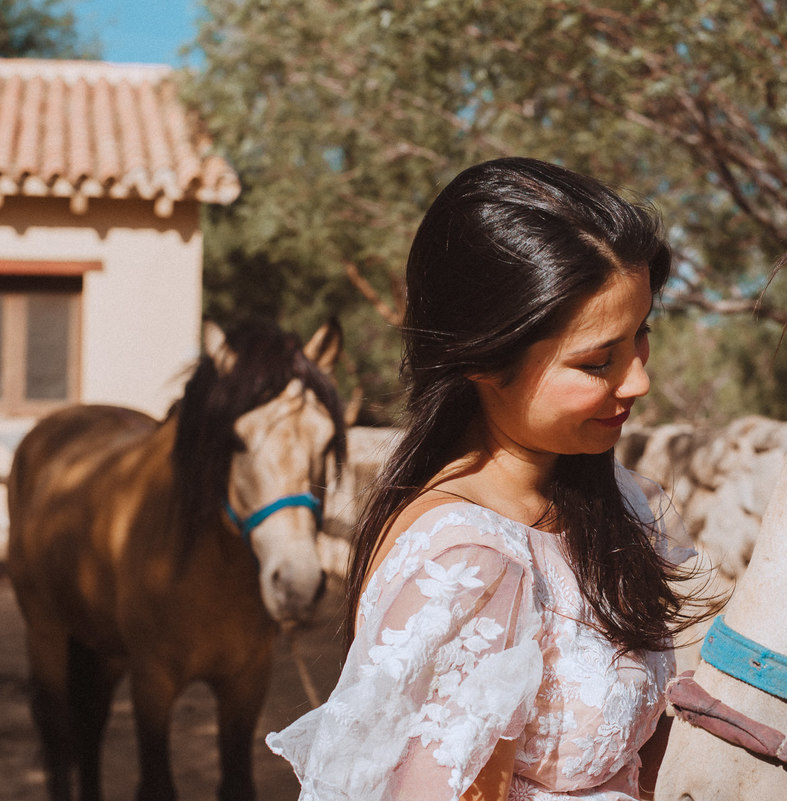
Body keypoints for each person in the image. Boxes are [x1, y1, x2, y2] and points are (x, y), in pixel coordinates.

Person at [267, 157, 711, 801]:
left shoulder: (619, 501)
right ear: (481, 356)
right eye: (596, 362)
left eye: (641, 336)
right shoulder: (472, 563)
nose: (639, 380)